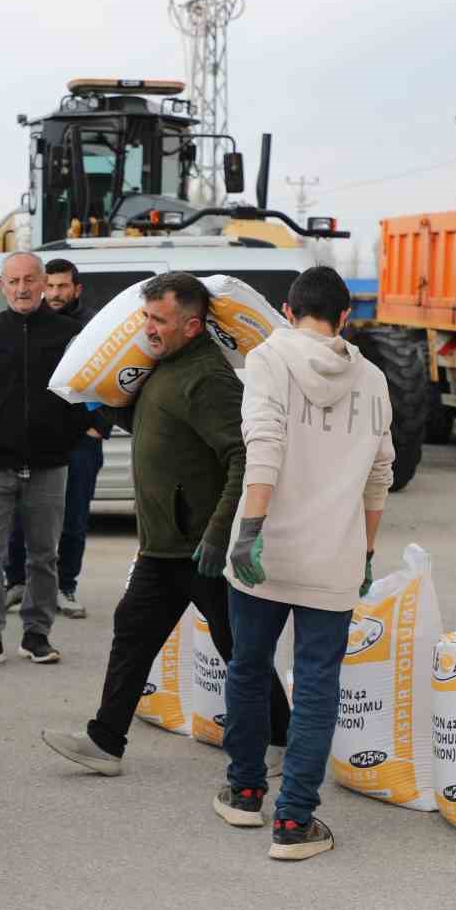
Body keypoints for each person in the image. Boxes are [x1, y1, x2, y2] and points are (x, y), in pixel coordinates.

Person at [42, 272, 291, 775]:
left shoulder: (206, 378)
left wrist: (221, 535)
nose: (149, 328)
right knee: (135, 630)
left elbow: (243, 456)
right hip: (164, 545)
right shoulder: (164, 368)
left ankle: (284, 741)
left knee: (238, 647)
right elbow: (157, 427)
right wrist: (111, 410)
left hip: (201, 546)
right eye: (147, 317)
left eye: (160, 319)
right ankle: (106, 741)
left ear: (193, 326)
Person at [215, 266, 394, 861]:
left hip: (264, 551)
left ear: (288, 312)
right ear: (345, 318)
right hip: (333, 557)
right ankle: (294, 823)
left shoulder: (268, 359)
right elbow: (379, 476)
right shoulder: (371, 379)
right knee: (318, 685)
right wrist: (366, 551)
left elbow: (264, 445)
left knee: (247, 666)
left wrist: (250, 532)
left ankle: (244, 792)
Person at [0, 252, 102, 669]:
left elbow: (88, 391)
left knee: (43, 556)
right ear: (2, 286)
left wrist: (69, 433)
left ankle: (37, 635)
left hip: (50, 465)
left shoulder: (70, 334)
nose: (22, 288)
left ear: (43, 284)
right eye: (13, 280)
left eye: (30, 280)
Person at [4, 258, 109, 619]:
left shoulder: (96, 327)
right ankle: (16, 581)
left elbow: (117, 375)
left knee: (74, 516)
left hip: (81, 438)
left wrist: (100, 426)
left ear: (76, 289)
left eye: (62, 286)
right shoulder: (29, 323)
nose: (54, 293)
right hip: (38, 437)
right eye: (49, 285)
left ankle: (65, 586)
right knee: (21, 512)